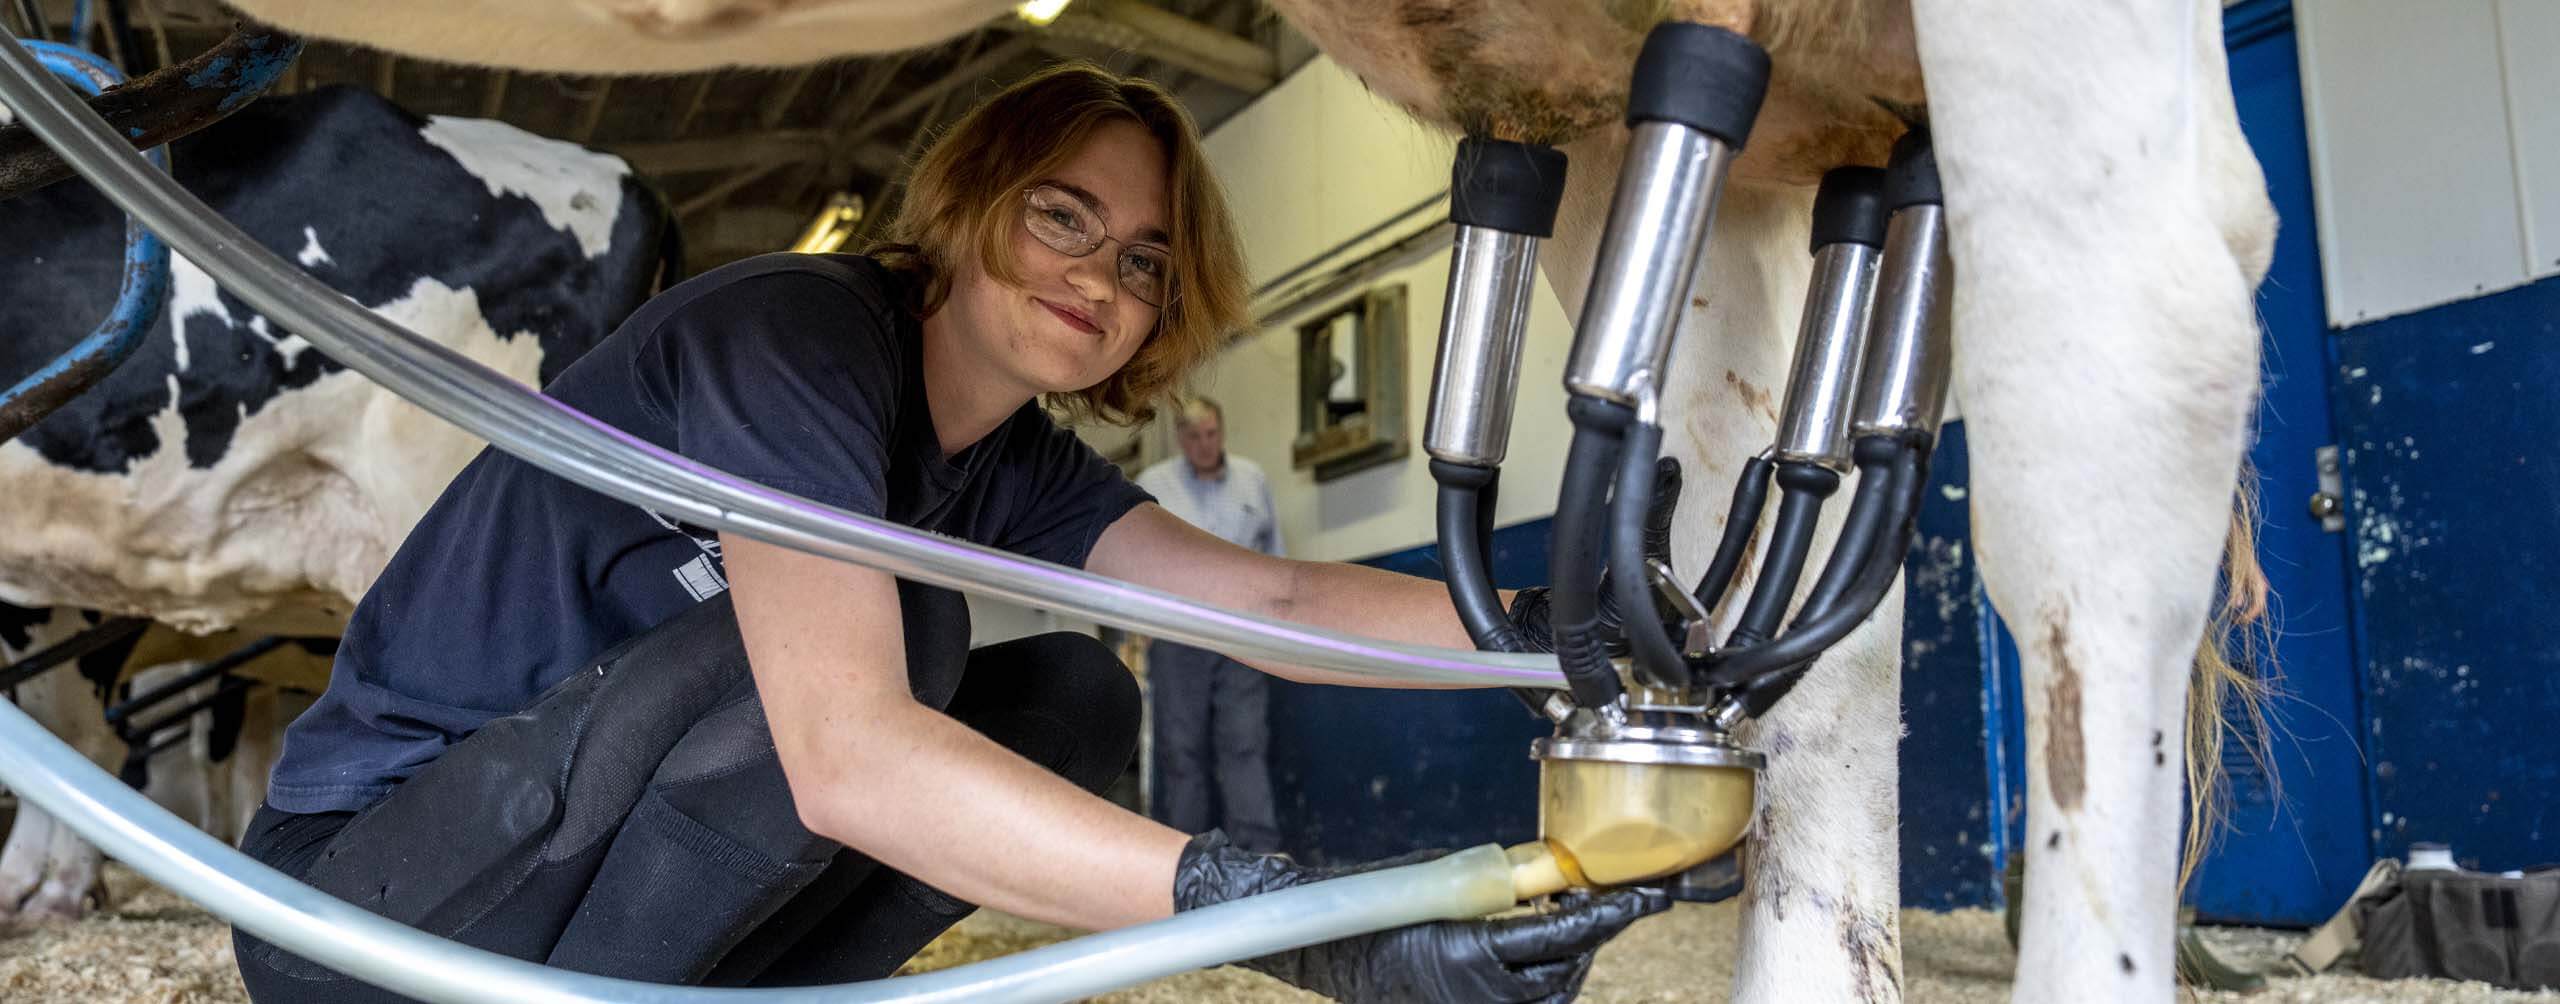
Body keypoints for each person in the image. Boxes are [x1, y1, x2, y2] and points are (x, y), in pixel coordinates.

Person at [232, 62, 1669, 1003]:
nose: (1102, 276)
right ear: (973, 202)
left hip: (566, 896)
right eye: (1065, 217)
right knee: (896, 647)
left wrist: (1564, 642)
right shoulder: (796, 339)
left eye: (1144, 262)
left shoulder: (1010, 463)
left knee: (1072, 697)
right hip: (369, 910)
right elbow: (847, 757)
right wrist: (1315, 927)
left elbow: (1274, 603)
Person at [1133, 397, 1284, 852]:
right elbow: (1137, 559)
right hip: (1179, 634)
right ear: (1181, 438)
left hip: (1243, 634)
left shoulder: (1252, 480)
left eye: (1211, 434)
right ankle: (1188, 861)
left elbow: (1274, 552)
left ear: (1222, 431)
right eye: (1194, 436)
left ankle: (1258, 857)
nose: (1204, 444)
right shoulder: (1153, 485)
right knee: (1182, 752)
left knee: (1245, 744)